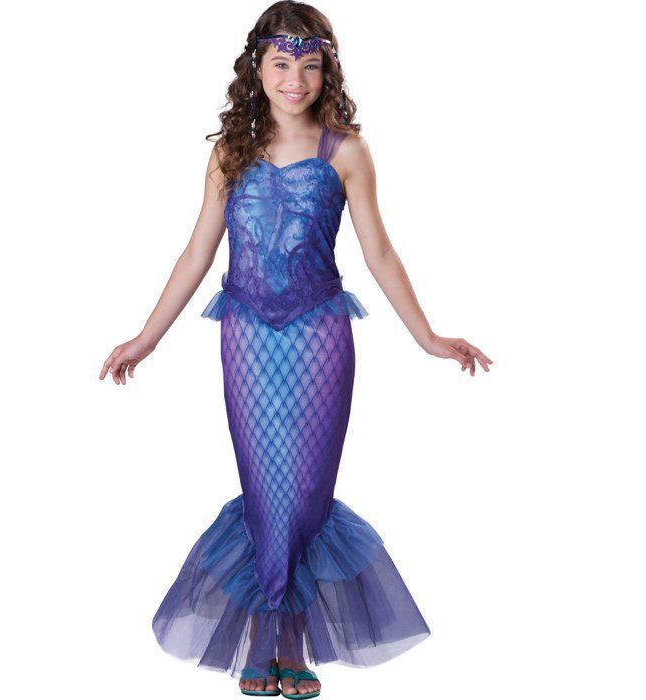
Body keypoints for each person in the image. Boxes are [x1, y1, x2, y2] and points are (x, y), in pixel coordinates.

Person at [99, 2, 493, 697]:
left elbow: (379, 252)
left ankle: (290, 639)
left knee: (307, 493)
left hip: (319, 337)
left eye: (309, 66)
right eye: (281, 64)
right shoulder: (231, 151)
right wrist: (146, 338)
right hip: (247, 335)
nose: (295, 80)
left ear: (326, 72)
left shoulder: (346, 152)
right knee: (266, 488)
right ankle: (269, 637)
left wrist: (428, 337)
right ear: (257, 68)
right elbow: (197, 253)